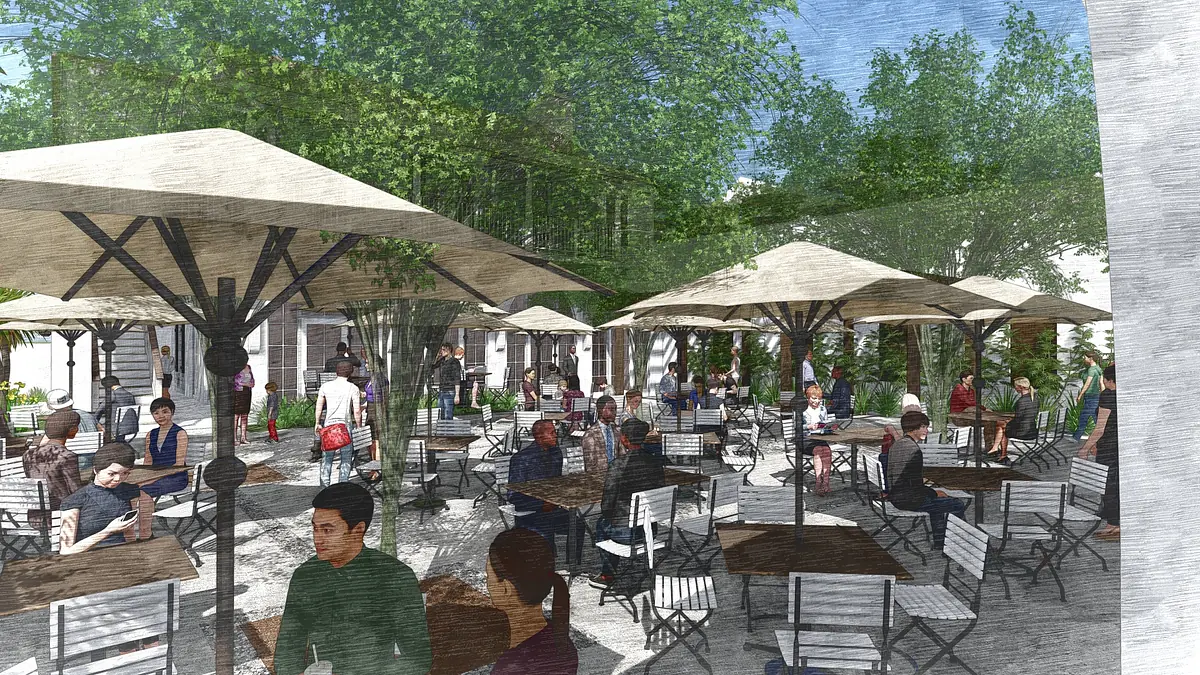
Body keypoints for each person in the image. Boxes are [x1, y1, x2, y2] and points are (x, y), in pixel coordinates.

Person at [275, 483, 432, 675]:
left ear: (358, 530)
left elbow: (418, 659)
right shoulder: (305, 575)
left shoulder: (394, 576)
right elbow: (286, 652)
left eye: (327, 530)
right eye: (315, 528)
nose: (317, 539)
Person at [487, 528, 578, 675]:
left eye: (488, 577)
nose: (487, 584)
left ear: (506, 589)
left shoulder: (510, 667)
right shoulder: (561, 639)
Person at [590, 418, 666, 589]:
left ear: (624, 438)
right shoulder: (655, 463)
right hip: (649, 530)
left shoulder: (618, 465)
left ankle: (607, 574)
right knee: (610, 520)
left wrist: (612, 514)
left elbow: (607, 505)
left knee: (601, 523)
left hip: (627, 534)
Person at [886, 411, 966, 549]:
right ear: (913, 428)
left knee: (938, 505)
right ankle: (956, 543)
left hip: (896, 497)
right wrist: (934, 493)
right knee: (956, 504)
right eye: (923, 427)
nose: (926, 431)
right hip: (910, 500)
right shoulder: (914, 450)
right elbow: (915, 485)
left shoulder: (897, 445)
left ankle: (940, 542)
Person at [507, 420, 585, 562]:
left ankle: (573, 565)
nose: (556, 435)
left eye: (555, 432)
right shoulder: (521, 459)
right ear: (539, 437)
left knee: (578, 524)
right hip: (530, 514)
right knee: (545, 533)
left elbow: (556, 483)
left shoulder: (556, 453)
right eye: (552, 433)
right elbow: (513, 496)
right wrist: (542, 505)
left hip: (552, 510)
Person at [59, 442, 151, 554]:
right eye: (111, 474)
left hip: (124, 554)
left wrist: (143, 533)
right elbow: (66, 551)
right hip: (87, 556)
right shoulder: (75, 501)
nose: (118, 479)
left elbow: (140, 530)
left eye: (125, 473)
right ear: (95, 470)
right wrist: (108, 531)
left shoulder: (129, 491)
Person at [23, 409, 84, 529]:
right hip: (60, 517)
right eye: (76, 427)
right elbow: (75, 490)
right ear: (71, 430)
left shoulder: (28, 454)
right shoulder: (67, 456)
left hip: (35, 517)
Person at [1079, 364, 1119, 540]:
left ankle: (1113, 524)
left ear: (1109, 380)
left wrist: (1085, 448)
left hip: (1108, 447)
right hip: (1119, 446)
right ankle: (1115, 522)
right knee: (1117, 485)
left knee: (1109, 485)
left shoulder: (1108, 395)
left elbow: (1100, 428)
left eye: (1104, 378)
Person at [314, 361, 363, 487]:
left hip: (329, 426)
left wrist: (317, 422)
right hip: (345, 426)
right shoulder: (353, 388)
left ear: (336, 371)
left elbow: (319, 406)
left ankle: (324, 487)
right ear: (350, 372)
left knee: (327, 458)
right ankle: (343, 486)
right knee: (346, 458)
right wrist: (359, 426)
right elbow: (357, 411)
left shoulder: (325, 386)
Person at [139, 398, 189, 502]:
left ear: (172, 412)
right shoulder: (150, 434)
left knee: (142, 490)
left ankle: (144, 510)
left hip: (175, 477)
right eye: (156, 413)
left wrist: (155, 478)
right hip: (155, 476)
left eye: (165, 412)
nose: (161, 416)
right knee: (129, 488)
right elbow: (148, 461)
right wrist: (144, 476)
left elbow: (179, 464)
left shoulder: (180, 433)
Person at [798, 385, 835, 496]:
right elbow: (796, 426)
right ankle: (818, 483)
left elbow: (825, 424)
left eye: (819, 398)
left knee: (827, 451)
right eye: (814, 398)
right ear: (808, 398)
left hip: (819, 437)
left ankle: (826, 483)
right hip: (806, 439)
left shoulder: (823, 409)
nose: (817, 401)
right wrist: (809, 426)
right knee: (818, 451)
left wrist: (830, 427)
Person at [880, 393, 924, 478]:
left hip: (915, 459)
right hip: (913, 457)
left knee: (885, 457)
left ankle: (887, 483)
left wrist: (893, 432)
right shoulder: (916, 421)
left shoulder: (917, 423)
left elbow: (906, 445)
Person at [581, 395, 625, 472]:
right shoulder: (591, 434)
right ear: (600, 411)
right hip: (599, 474)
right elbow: (589, 463)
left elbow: (622, 454)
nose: (614, 413)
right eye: (611, 409)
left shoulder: (617, 430)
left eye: (615, 409)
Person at [1001, 377, 1040, 464]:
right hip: (1033, 431)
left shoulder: (1021, 401)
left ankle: (1003, 455)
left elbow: (1017, 419)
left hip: (1023, 433)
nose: (1015, 388)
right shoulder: (1035, 398)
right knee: (1003, 425)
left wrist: (1008, 422)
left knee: (1002, 427)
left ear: (1021, 387)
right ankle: (996, 449)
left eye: (1016, 386)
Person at [1073, 352, 1104, 442]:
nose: (1084, 359)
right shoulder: (1098, 368)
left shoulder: (1091, 370)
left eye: (1085, 357)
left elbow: (1087, 384)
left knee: (1084, 417)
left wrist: (1080, 395)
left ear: (1091, 359)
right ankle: (1102, 437)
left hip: (1090, 396)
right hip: (1096, 396)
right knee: (1095, 417)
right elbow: (1101, 383)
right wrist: (1103, 395)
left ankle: (1076, 437)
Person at [99, 376, 138, 442]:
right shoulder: (129, 394)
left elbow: (100, 409)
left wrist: (95, 420)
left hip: (117, 428)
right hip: (132, 426)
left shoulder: (113, 394)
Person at [432, 343, 461, 421]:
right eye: (441, 349)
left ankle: (449, 428)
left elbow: (457, 378)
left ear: (449, 350)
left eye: (444, 350)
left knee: (448, 414)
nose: (442, 351)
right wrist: (437, 357)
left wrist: (457, 394)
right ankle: (442, 428)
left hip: (450, 391)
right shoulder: (442, 360)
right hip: (442, 390)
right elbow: (433, 366)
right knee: (440, 413)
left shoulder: (454, 361)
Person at [233, 363, 254, 446]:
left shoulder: (249, 367)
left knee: (245, 416)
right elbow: (235, 381)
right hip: (238, 394)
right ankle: (234, 438)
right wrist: (246, 384)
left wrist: (252, 383)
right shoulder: (236, 367)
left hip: (247, 393)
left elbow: (252, 379)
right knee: (236, 417)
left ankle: (243, 438)